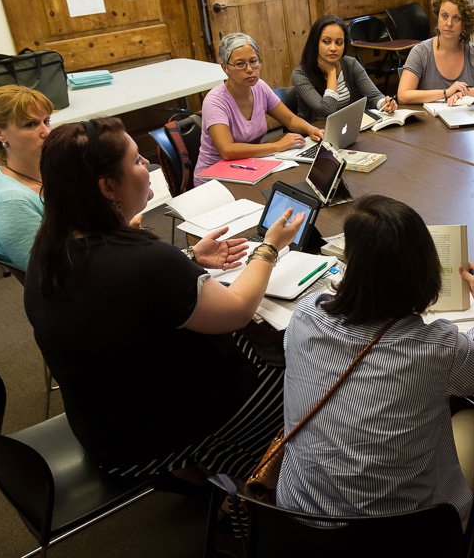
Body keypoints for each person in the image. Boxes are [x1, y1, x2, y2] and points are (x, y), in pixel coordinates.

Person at [24, 116, 306, 481]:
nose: (148, 167)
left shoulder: (48, 247)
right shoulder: (144, 261)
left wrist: (189, 260)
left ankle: (215, 471)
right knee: (306, 379)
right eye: (138, 161)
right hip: (156, 432)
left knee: (255, 343)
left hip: (106, 421)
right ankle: (258, 488)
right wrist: (269, 247)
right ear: (108, 187)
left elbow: (121, 299)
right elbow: (237, 309)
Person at [277, 195, 474, 555]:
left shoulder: (305, 315)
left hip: (301, 526)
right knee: (473, 420)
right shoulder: (436, 345)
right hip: (409, 537)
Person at [194, 32, 323, 185]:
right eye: (240, 64)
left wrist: (311, 129)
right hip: (214, 179)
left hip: (248, 166)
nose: (249, 69)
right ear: (225, 68)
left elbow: (289, 119)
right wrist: (276, 146)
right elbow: (227, 150)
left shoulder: (260, 87)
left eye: (254, 61)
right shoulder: (215, 101)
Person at [0, 85, 54, 269]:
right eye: (30, 124)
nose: (47, 132)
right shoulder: (10, 202)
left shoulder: (48, 171)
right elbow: (49, 272)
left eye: (46, 121)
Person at [397, 0, 474, 106]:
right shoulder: (420, 52)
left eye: (456, 18)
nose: (449, 23)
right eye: (444, 16)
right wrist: (446, 92)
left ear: (465, 23)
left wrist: (464, 92)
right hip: (429, 120)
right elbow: (403, 96)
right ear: (438, 17)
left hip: (465, 119)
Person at [290, 15, 397, 122]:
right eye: (326, 42)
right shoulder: (300, 74)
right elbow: (327, 110)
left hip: (348, 128)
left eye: (339, 43)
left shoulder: (350, 63)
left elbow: (374, 95)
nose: (333, 48)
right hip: (316, 132)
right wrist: (331, 72)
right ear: (315, 43)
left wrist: (384, 103)